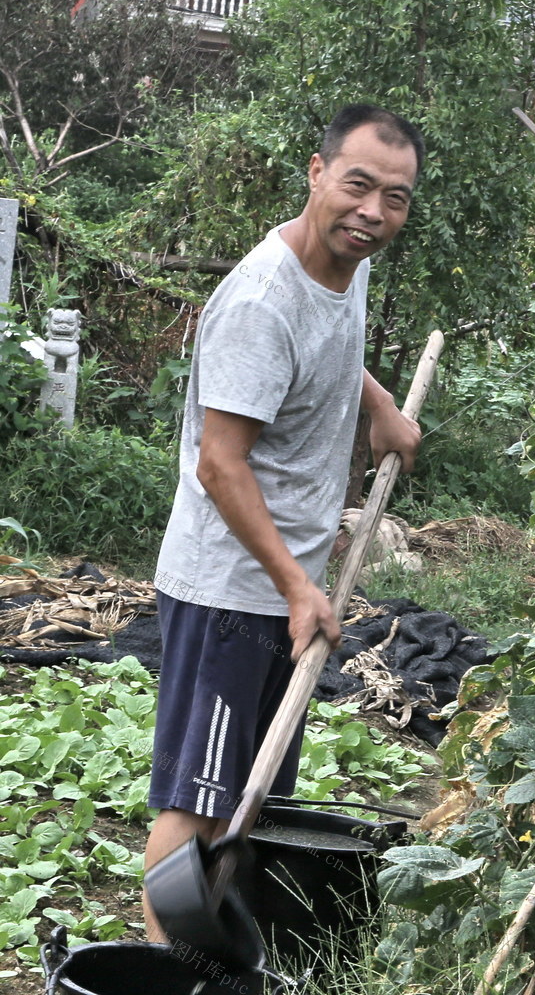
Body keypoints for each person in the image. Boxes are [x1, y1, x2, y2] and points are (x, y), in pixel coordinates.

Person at [143, 104, 425, 940]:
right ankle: (161, 972)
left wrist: (377, 406)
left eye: (396, 197)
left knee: (253, 795)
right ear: (316, 173)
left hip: (280, 588)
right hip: (234, 589)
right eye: (359, 186)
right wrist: (299, 586)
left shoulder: (346, 258)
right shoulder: (260, 304)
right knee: (198, 799)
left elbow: (330, 341)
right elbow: (219, 464)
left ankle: (220, 961)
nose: (374, 212)